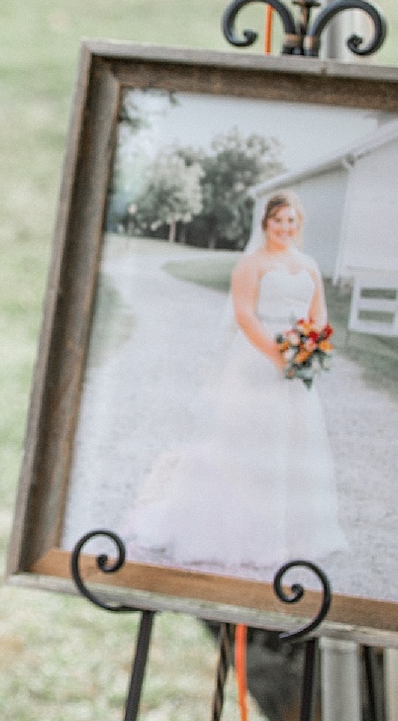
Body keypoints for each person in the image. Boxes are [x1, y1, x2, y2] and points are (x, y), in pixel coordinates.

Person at [124, 188, 345, 573]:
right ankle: (236, 534)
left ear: (299, 224)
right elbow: (245, 315)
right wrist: (278, 355)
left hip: (297, 369)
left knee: (294, 444)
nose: (284, 228)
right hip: (257, 361)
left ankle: (292, 536)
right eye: (277, 221)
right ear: (266, 224)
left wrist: (311, 349)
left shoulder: (309, 265)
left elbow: (319, 316)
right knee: (250, 443)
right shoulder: (251, 264)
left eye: (291, 221)